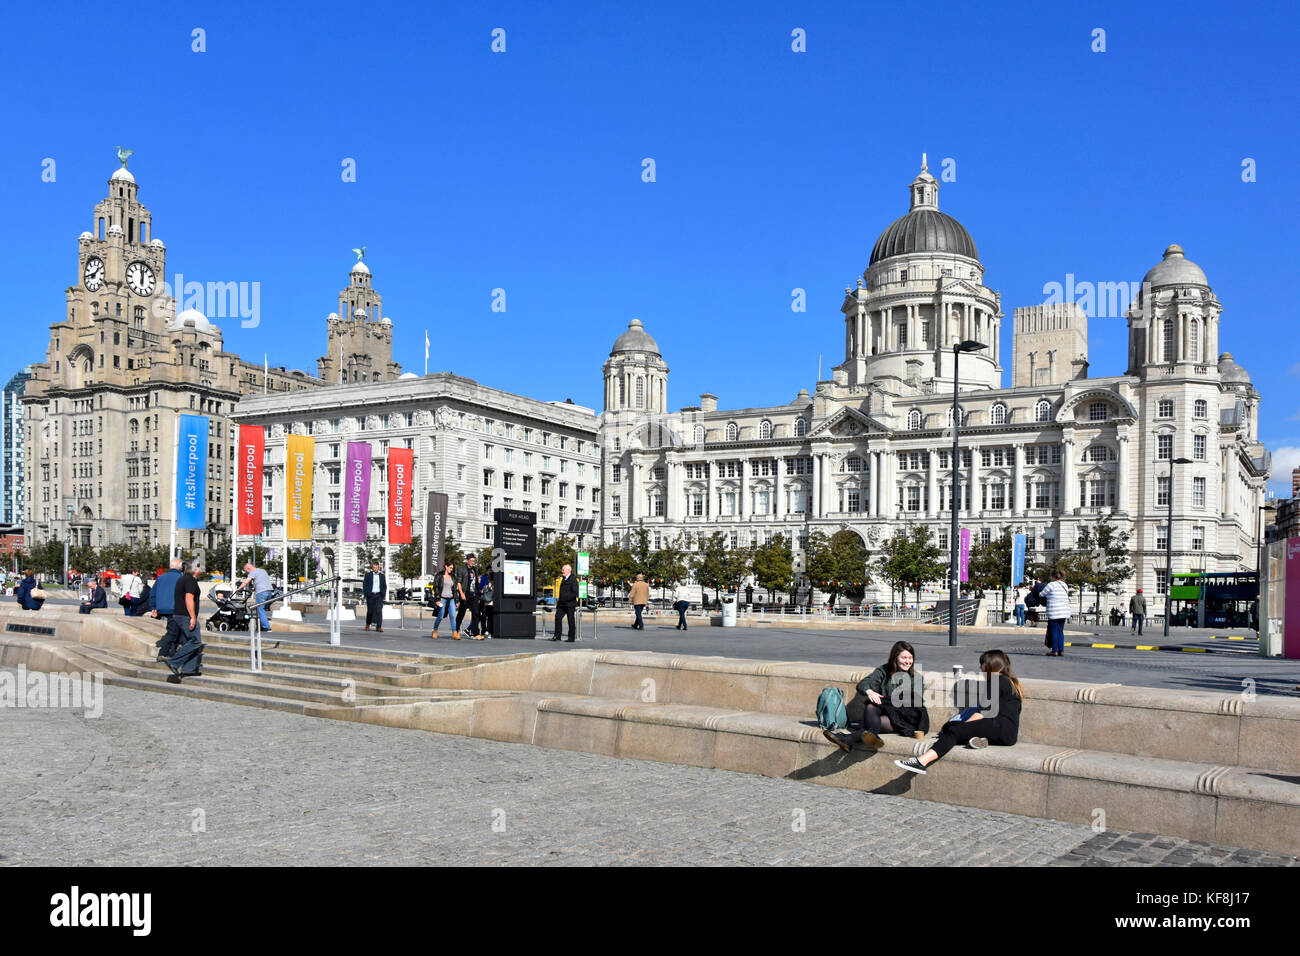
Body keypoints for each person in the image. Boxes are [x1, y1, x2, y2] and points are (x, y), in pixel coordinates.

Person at [894, 650, 1024, 774]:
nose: (981, 668)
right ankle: (981, 741)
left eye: (982, 664)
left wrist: (963, 726)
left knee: (955, 730)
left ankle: (921, 762)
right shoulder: (1011, 682)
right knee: (956, 729)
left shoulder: (996, 681)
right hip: (1008, 734)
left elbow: (982, 713)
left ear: (991, 665)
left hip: (1000, 728)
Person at [824, 640, 928, 753]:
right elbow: (863, 684)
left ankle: (848, 739)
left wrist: (885, 701)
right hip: (888, 716)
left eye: (910, 658)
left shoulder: (916, 678)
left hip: (908, 719)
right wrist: (870, 692)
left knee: (872, 706)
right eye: (904, 658)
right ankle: (871, 735)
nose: (908, 661)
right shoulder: (884, 671)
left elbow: (913, 703)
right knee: (871, 708)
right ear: (895, 657)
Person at [164, 562, 204, 683]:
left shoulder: (183, 579)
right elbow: (188, 598)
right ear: (195, 569)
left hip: (179, 614)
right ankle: (173, 662)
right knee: (196, 641)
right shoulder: (190, 580)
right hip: (185, 615)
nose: (202, 569)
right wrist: (192, 617)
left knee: (188, 641)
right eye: (200, 566)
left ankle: (189, 669)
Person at [148, 558, 184, 659]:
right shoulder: (181, 578)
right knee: (173, 631)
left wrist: (154, 607)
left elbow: (152, 593)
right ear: (180, 567)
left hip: (162, 608)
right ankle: (163, 653)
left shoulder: (161, 578)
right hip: (174, 608)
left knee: (174, 629)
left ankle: (172, 650)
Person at [237, 562, 276, 633]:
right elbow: (261, 581)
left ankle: (266, 628)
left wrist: (239, 588)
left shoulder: (253, 572)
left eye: (246, 571)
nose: (247, 573)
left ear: (248, 568)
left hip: (261, 592)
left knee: (260, 609)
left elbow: (246, 582)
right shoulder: (263, 571)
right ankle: (261, 626)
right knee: (263, 610)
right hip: (269, 592)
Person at [430, 560, 462, 639]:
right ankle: (435, 630)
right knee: (440, 616)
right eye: (450, 568)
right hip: (442, 598)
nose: (451, 569)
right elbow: (436, 587)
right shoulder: (439, 575)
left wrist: (457, 601)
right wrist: (437, 599)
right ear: (446, 566)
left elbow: (455, 590)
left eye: (452, 568)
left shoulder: (453, 577)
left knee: (452, 615)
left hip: (451, 598)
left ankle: (454, 633)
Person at [1043, 569, 1071, 656]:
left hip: (1054, 611)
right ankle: (1061, 650)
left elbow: (1042, 594)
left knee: (1054, 631)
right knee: (1060, 631)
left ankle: (1054, 650)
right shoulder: (1064, 585)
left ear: (1053, 576)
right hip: (1064, 611)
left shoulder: (1051, 585)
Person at [552, 563, 578, 642]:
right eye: (562, 569)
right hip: (562, 604)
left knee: (570, 621)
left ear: (568, 570)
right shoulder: (563, 579)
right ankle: (557, 636)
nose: (562, 571)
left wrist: (566, 599)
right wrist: (560, 602)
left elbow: (575, 593)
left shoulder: (573, 580)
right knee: (557, 618)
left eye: (563, 570)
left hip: (570, 604)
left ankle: (571, 637)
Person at [455, 554, 480, 637]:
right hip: (465, 594)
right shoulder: (461, 569)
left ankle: (476, 633)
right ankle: (456, 630)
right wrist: (461, 593)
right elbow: (458, 582)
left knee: (476, 613)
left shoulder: (475, 570)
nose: (473, 562)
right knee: (461, 614)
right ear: (467, 560)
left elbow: (476, 583)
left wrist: (478, 594)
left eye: (474, 561)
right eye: (472, 561)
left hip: (474, 595)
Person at [362, 560, 387, 633]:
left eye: (376, 568)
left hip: (379, 595)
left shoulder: (382, 576)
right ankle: (367, 624)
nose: (375, 569)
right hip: (371, 595)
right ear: (372, 568)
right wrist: (367, 594)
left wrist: (383, 594)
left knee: (379, 610)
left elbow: (384, 586)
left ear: (378, 567)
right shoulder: (368, 575)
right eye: (374, 567)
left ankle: (379, 626)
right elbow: (365, 585)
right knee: (370, 611)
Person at [478, 571, 494, 639]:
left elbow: (482, 591)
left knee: (484, 617)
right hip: (490, 603)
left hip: (487, 603)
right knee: (489, 618)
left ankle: (485, 631)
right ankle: (488, 631)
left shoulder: (488, 585)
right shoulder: (491, 585)